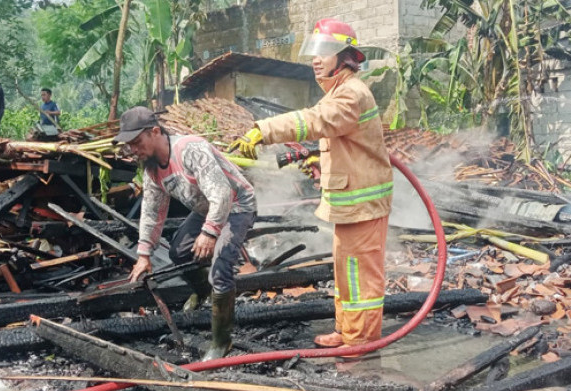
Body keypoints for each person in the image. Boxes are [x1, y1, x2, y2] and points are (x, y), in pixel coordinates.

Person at [229, 18, 393, 353]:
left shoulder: (350, 94)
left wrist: (263, 130)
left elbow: (315, 121)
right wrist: (321, 160)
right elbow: (345, 142)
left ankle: (361, 341)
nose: (315, 59)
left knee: (361, 275)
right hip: (350, 205)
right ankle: (346, 331)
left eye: (324, 51)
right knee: (347, 271)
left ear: (345, 56)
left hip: (362, 206)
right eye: (313, 52)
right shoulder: (339, 92)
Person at [113, 106, 257, 361]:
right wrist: (144, 254)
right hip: (205, 207)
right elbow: (152, 211)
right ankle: (202, 290)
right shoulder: (151, 168)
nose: (134, 149)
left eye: (137, 142)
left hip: (236, 204)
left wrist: (210, 233)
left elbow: (222, 193)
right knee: (179, 251)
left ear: (155, 131)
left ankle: (221, 342)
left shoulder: (189, 149)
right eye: (130, 145)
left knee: (221, 268)